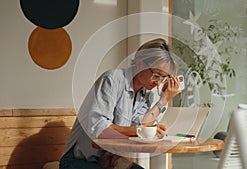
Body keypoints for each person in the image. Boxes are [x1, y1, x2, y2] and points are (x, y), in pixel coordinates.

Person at [59, 38, 180, 169]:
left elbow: (142, 127)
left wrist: (164, 99)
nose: (158, 82)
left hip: (110, 161)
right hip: (79, 160)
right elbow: (99, 129)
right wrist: (140, 130)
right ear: (140, 63)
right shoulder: (112, 80)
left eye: (164, 77)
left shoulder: (146, 93)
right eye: (156, 74)